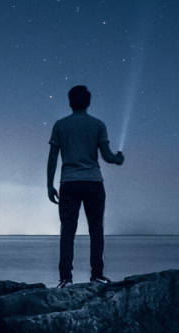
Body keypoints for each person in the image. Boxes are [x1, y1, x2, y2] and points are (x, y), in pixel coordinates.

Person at [47, 85, 124, 288]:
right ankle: (97, 275)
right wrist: (118, 159)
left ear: (70, 102)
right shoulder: (97, 125)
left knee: (68, 230)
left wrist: (49, 185)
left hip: (69, 182)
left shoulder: (60, 125)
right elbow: (107, 156)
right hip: (93, 182)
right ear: (88, 102)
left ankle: (65, 278)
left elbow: (53, 157)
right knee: (96, 229)